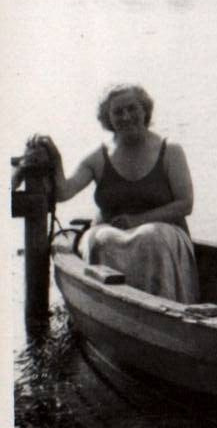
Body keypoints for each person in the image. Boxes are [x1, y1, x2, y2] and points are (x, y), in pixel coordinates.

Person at [26, 84, 199, 303]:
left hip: (165, 236)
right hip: (112, 234)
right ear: (108, 119)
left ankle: (163, 307)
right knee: (100, 237)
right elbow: (64, 192)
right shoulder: (99, 156)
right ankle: (115, 306)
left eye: (132, 108)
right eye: (117, 112)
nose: (126, 117)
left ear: (145, 110)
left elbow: (185, 204)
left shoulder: (170, 150)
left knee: (150, 236)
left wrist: (137, 220)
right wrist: (55, 157)